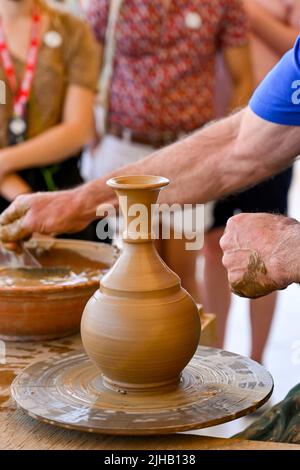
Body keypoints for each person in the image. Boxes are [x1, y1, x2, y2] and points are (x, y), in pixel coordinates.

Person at [83, 0, 253, 300]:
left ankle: (196, 346)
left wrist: (219, 147)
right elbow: (87, 68)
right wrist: (91, 135)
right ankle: (126, 346)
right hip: (122, 148)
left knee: (181, 273)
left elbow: (243, 79)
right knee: (127, 270)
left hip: (190, 152)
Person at [205, 0, 300, 362]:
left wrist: (247, 11)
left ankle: (257, 360)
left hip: (275, 132)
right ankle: (215, 355)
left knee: (266, 252)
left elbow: (296, 47)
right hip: (218, 132)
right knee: (214, 244)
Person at [0, 0, 100, 240]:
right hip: (7, 188)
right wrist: (22, 197)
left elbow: (78, 129)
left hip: (56, 187)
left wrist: (5, 161)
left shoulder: (72, 30)